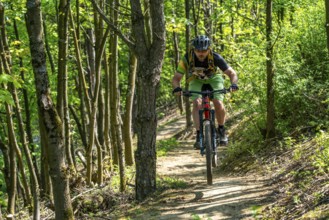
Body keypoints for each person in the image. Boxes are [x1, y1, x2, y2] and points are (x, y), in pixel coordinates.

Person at [172, 35, 238, 149]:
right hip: (196, 80)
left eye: (204, 50)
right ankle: (199, 135)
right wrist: (177, 87)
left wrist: (234, 84)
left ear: (209, 49)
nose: (201, 53)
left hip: (214, 79)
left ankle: (221, 130)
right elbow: (176, 78)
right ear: (194, 50)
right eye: (198, 50)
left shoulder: (216, 57)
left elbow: (232, 73)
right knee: (197, 103)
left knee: (218, 102)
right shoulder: (187, 58)